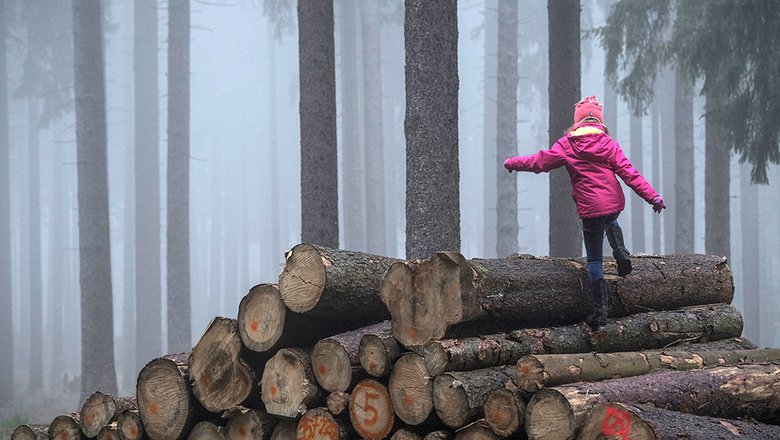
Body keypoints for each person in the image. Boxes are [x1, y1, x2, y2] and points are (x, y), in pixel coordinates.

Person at [503, 95, 665, 328]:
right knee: (611, 219)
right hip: (612, 204)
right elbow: (631, 174)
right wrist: (653, 197)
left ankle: (600, 314)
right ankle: (621, 252)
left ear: (577, 120)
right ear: (599, 121)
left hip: (590, 209)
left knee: (595, 261)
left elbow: (539, 162)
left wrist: (513, 162)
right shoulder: (608, 144)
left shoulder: (567, 145)